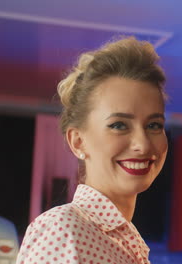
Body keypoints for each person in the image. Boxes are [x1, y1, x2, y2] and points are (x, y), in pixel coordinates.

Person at [17, 37, 168, 264]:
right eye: (119, 125)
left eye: (154, 125)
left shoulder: (127, 242)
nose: (143, 144)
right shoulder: (63, 230)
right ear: (78, 141)